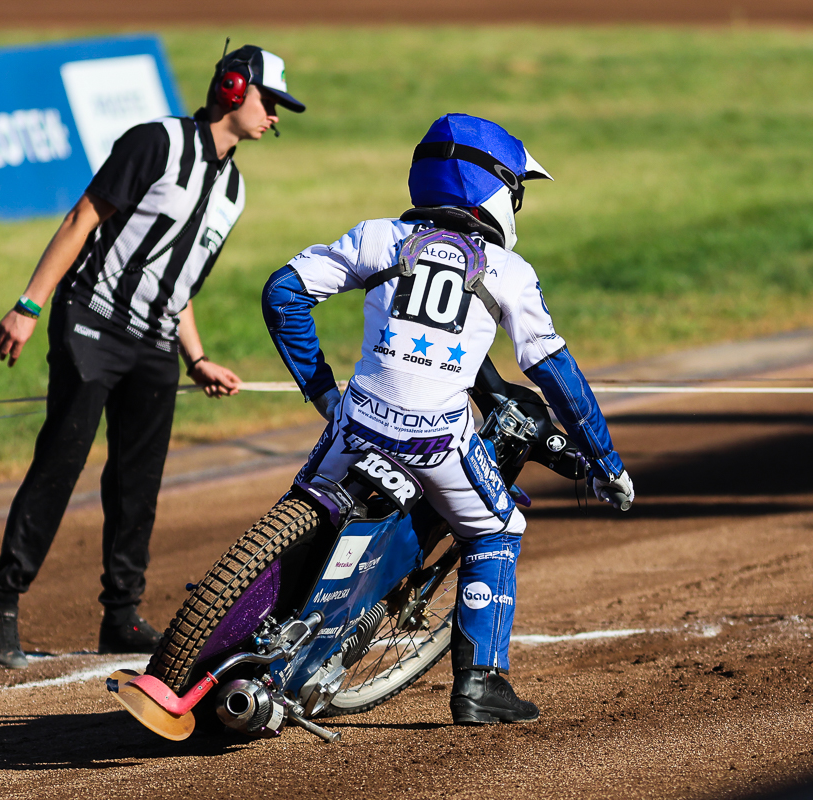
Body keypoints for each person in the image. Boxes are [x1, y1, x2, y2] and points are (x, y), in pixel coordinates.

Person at [261, 114, 633, 724]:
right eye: (516, 189)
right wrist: (607, 461)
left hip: (353, 420)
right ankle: (480, 685)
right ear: (491, 189)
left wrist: (324, 393)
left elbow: (283, 292)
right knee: (497, 529)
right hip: (436, 436)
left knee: (306, 511)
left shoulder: (377, 236)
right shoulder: (510, 273)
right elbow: (556, 374)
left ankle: (243, 623)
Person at [0, 45, 306, 669]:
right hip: (90, 320)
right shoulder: (155, 143)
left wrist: (197, 357)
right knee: (61, 461)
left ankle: (121, 615)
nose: (275, 117)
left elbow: (180, 286)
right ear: (234, 89)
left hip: (155, 345)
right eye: (270, 101)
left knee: (137, 485)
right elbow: (82, 217)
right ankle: (0, 601)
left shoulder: (233, 189)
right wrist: (29, 304)